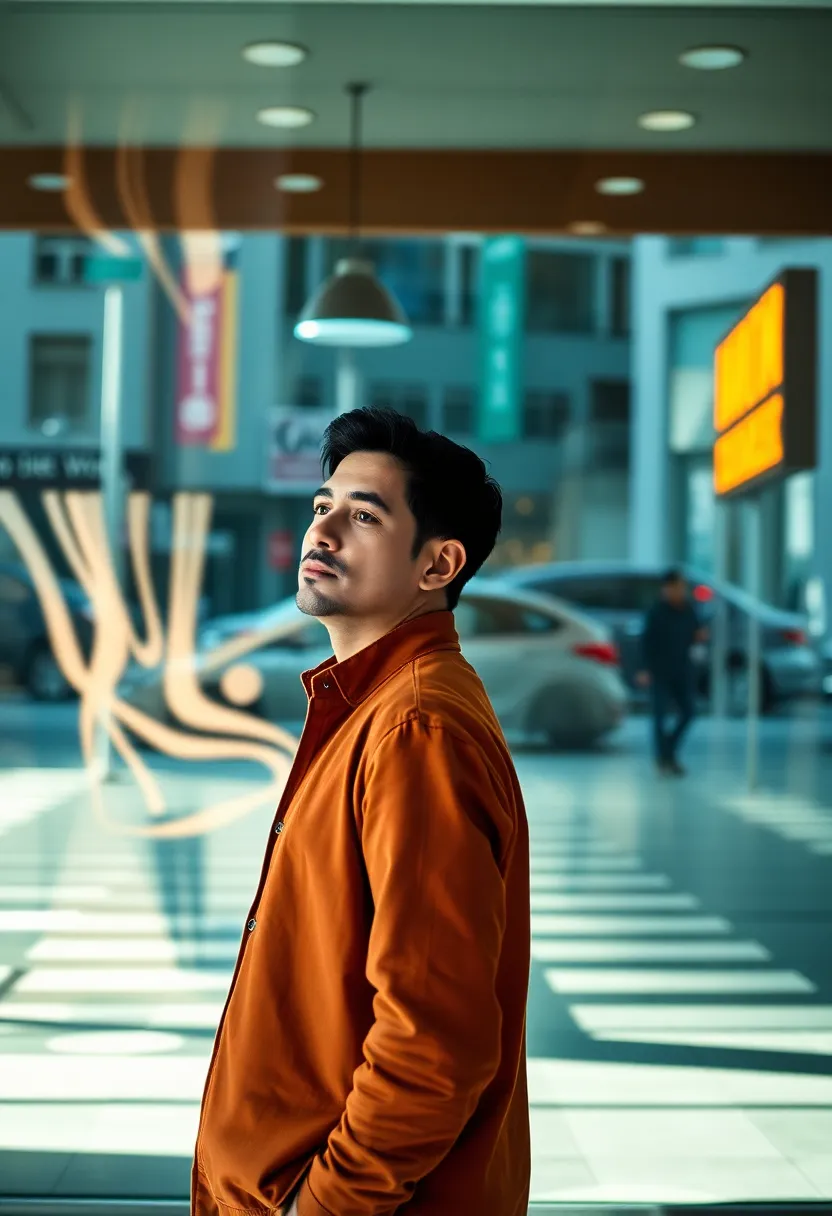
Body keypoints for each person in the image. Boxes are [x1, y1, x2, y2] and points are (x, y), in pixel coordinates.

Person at [192, 408, 531, 1216]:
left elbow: (433, 1042)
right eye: (322, 505)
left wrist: (323, 1206)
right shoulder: (373, 707)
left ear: (437, 563)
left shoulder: (418, 729)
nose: (325, 529)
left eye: (365, 515)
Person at [637, 568, 706, 777]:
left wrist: (699, 636)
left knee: (688, 713)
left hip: (682, 669)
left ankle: (668, 751)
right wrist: (644, 668)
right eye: (675, 587)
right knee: (659, 716)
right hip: (660, 671)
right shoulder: (656, 612)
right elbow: (646, 642)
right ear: (667, 588)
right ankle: (664, 759)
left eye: (682, 587)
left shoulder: (688, 610)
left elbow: (696, 633)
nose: (679, 591)